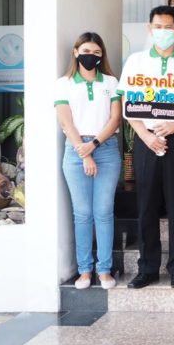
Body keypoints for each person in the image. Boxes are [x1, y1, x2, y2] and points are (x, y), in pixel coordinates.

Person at [118, 6, 174, 289]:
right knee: (146, 204)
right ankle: (147, 268)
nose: (164, 32)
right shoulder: (136, 61)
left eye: (169, 27)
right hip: (146, 139)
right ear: (150, 28)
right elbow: (127, 102)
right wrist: (144, 135)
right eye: (158, 26)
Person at [55, 32, 122, 290]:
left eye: (96, 52)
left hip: (105, 148)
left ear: (101, 55)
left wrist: (93, 146)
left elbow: (115, 119)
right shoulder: (64, 84)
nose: (90, 56)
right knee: (82, 214)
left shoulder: (111, 82)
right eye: (85, 51)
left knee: (103, 212)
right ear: (75, 52)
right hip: (75, 150)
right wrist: (83, 152)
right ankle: (84, 270)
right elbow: (65, 121)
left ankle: (104, 270)